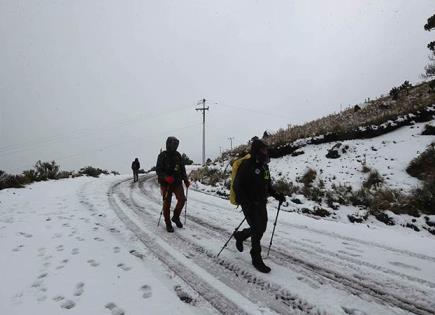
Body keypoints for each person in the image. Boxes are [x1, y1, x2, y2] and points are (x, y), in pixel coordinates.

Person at [233, 139, 285, 273]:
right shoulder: (246, 164)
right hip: (248, 204)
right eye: (263, 149)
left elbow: (267, 184)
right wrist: (247, 202)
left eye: (266, 149)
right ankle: (256, 257)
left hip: (261, 202)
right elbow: (237, 186)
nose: (266, 152)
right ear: (256, 150)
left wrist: (276, 195)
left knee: (261, 228)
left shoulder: (264, 165)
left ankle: (241, 236)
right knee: (257, 229)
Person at [156, 136, 190, 232]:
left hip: (177, 182)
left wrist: (186, 180)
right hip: (165, 183)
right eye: (173, 144)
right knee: (167, 203)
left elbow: (182, 169)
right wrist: (166, 177)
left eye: (176, 144)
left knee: (182, 199)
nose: (175, 146)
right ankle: (168, 223)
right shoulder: (162, 155)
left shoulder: (178, 155)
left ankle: (175, 217)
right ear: (168, 144)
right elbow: (158, 170)